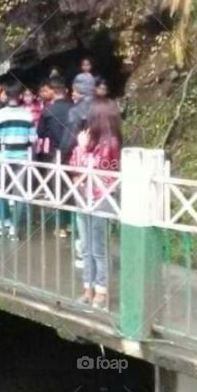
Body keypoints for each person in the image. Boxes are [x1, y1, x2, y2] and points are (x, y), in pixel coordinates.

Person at [69, 98, 122, 309]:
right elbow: (74, 166)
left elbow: (97, 167)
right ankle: (87, 288)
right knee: (86, 247)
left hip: (101, 197)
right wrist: (81, 148)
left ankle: (101, 291)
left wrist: (82, 149)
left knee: (98, 248)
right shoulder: (89, 139)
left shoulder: (111, 144)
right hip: (84, 196)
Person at [0, 85, 35, 239]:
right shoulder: (28, 115)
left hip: (3, 156)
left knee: (0, 189)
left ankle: (1, 224)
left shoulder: (0, 114)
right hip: (21, 157)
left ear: (6, 96)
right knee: (19, 193)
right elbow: (33, 138)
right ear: (20, 96)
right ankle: (15, 227)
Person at [37, 77, 76, 234]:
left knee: (57, 188)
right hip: (75, 153)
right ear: (66, 91)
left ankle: (61, 226)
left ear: (52, 92)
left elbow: (40, 133)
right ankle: (74, 223)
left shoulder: (48, 111)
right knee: (74, 186)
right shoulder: (75, 108)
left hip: (57, 153)